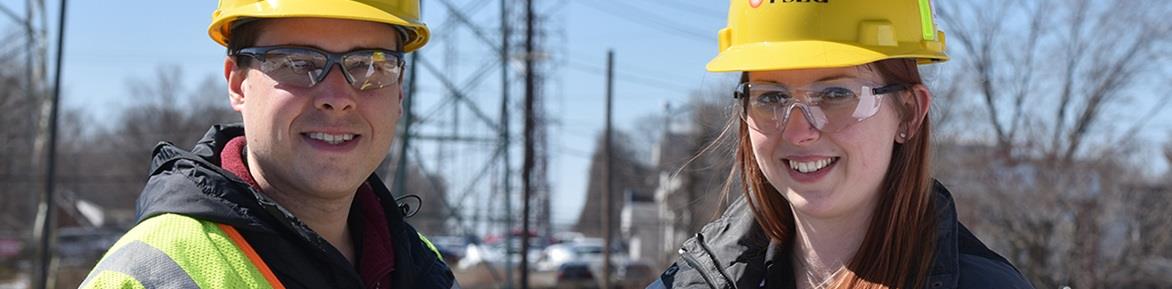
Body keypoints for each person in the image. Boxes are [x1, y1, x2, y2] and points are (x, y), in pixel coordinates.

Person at [649, 1, 1033, 289]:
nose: (799, 131)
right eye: (771, 98)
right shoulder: (694, 280)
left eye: (835, 93)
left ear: (909, 113)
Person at [79, 1, 458, 288]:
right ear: (237, 83)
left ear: (400, 93)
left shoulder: (423, 265)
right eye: (296, 62)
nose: (338, 96)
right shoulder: (150, 276)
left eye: (370, 65)